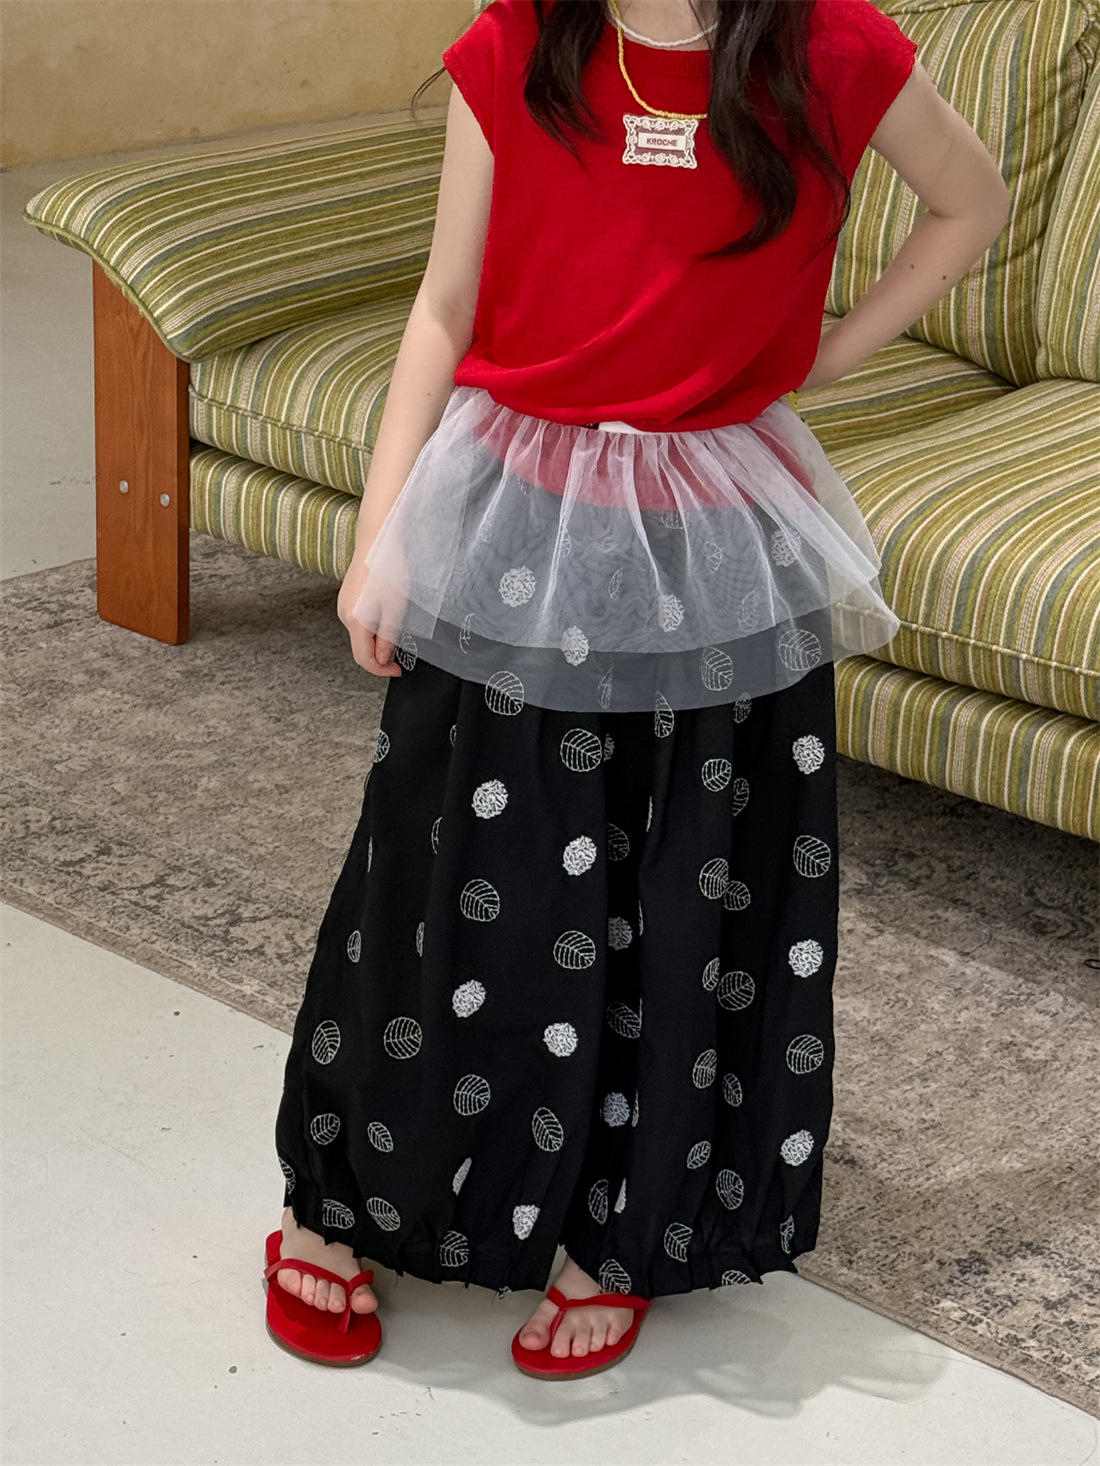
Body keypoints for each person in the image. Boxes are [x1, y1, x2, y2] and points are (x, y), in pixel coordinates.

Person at [262, 0, 1011, 1377]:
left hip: (713, 542)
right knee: (441, 883)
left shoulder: (836, 50)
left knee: (684, 899)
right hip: (511, 529)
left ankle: (621, 1229)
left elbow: (973, 200)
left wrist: (819, 355)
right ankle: (350, 1195)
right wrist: (381, 539)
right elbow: (444, 305)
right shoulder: (516, 42)